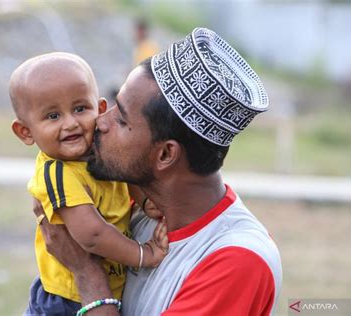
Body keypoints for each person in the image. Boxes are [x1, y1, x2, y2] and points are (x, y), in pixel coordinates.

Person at [38, 28, 283, 315]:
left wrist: (86, 271)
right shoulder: (135, 207)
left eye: (121, 119)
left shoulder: (236, 262)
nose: (99, 122)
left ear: (166, 154)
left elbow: (84, 266)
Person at [8, 52, 168, 315]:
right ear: (25, 131)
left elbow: (124, 176)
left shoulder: (98, 149)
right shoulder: (57, 173)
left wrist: (145, 201)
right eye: (52, 116)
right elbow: (92, 236)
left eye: (80, 109)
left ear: (101, 110)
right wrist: (143, 254)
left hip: (110, 288)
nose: (70, 123)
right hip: (67, 300)